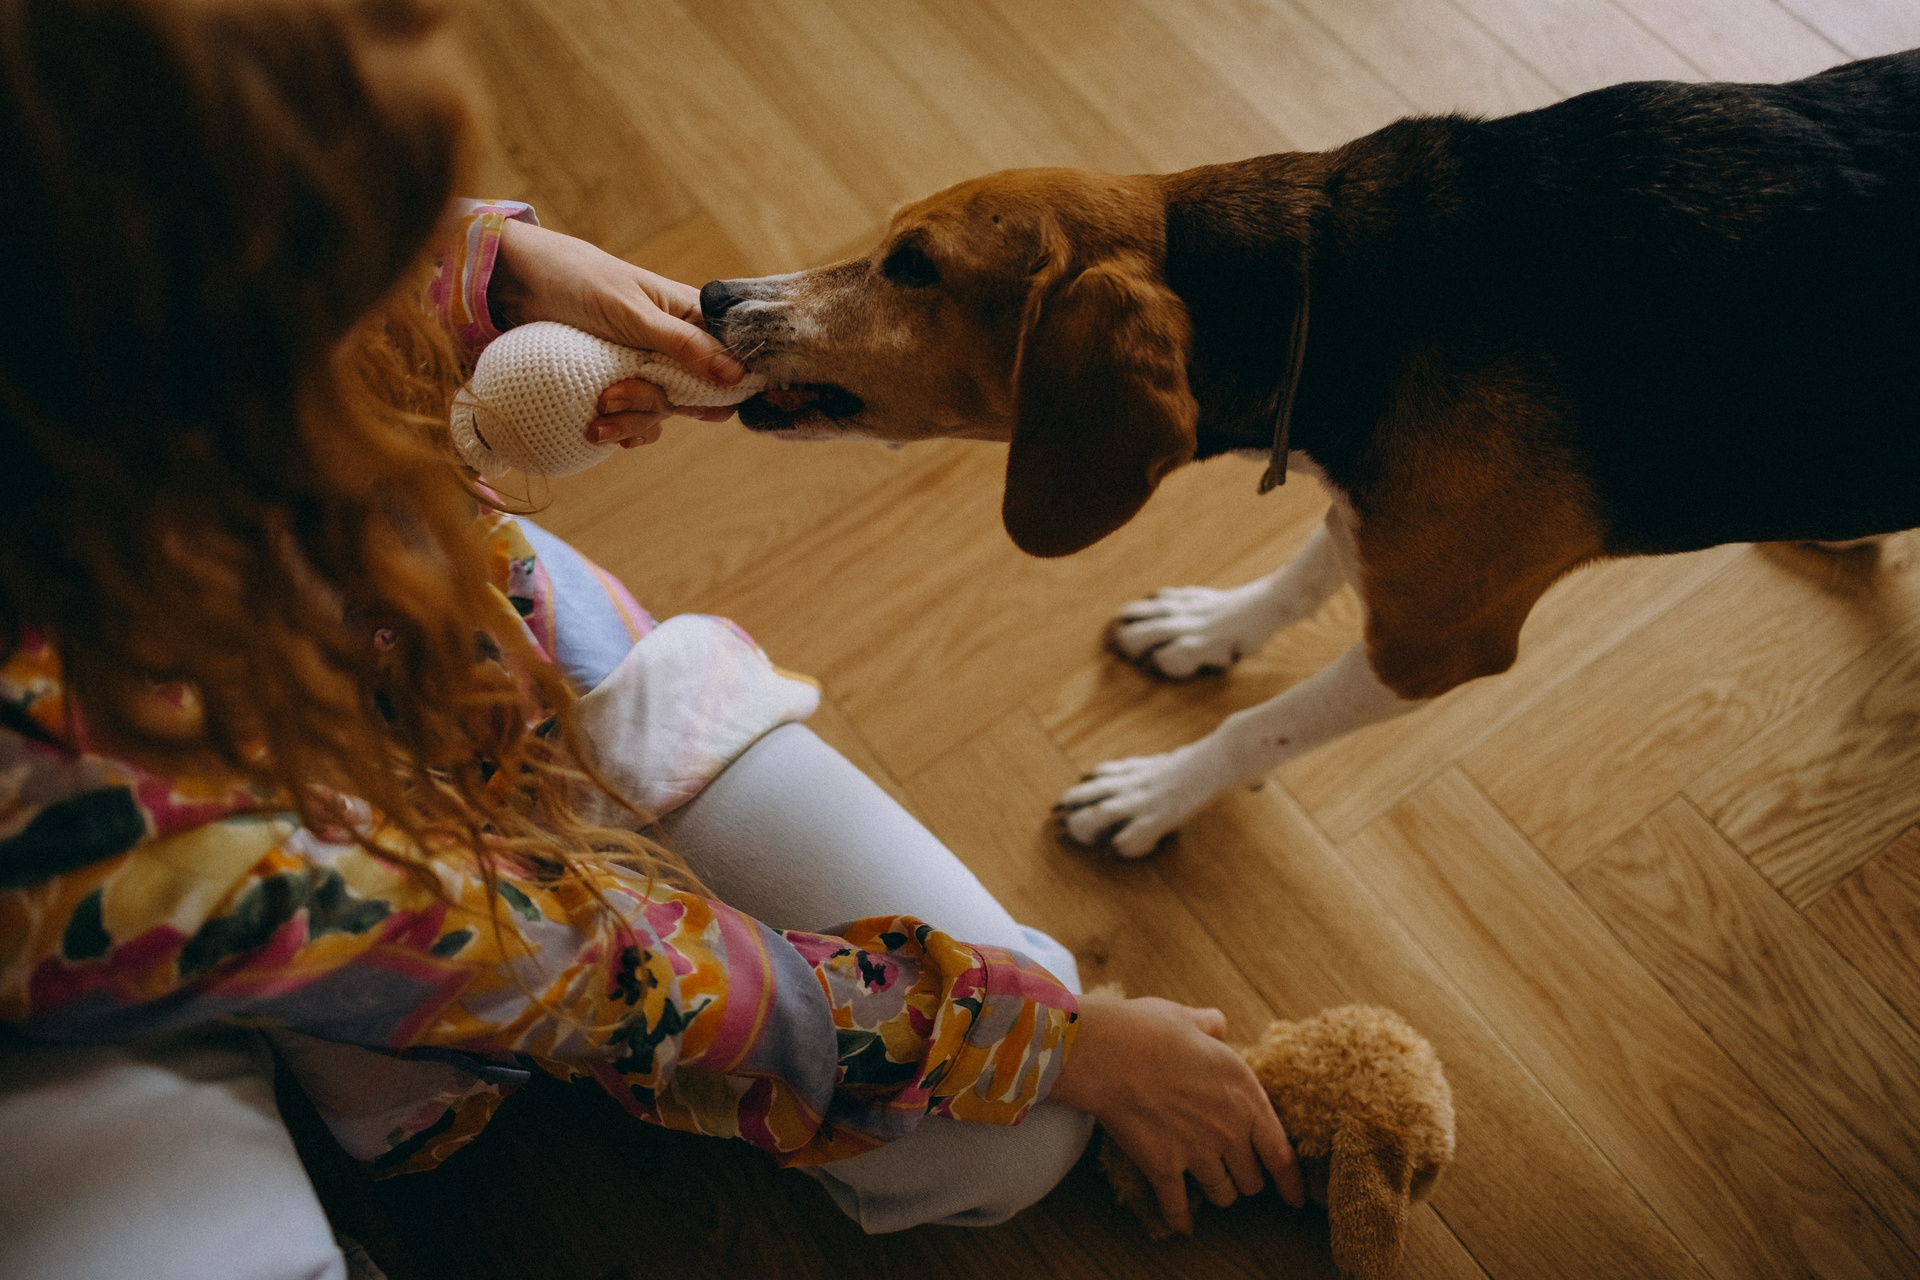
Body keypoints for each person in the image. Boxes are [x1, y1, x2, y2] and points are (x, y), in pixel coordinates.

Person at [0, 0, 1304, 1276]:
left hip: (412, 675)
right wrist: (1047, 1039)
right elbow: (587, 967)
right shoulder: (80, 800)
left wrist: (487, 271)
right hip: (118, 939)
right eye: (348, 276)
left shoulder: (95, 273)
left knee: (1012, 1136)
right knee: (1017, 1078)